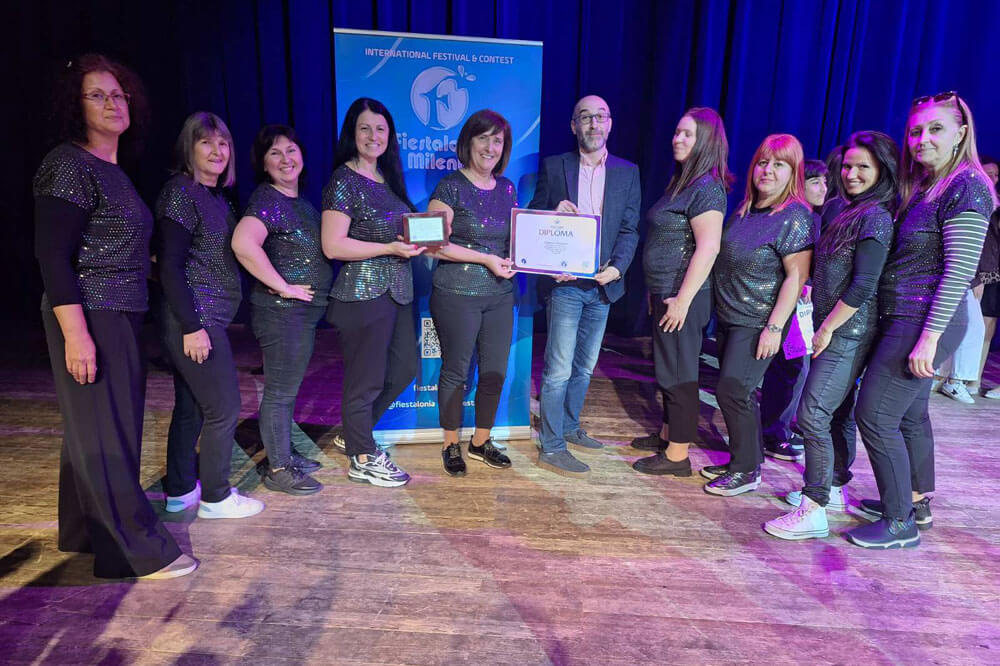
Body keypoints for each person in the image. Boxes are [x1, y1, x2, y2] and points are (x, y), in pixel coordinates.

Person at [33, 54, 195, 579]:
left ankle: (86, 532)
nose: (112, 103)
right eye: (97, 95)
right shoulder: (68, 163)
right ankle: (133, 552)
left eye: (119, 94)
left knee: (95, 428)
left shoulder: (112, 170)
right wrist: (76, 334)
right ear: (74, 105)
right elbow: (52, 256)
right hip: (90, 312)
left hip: (120, 311)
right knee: (109, 433)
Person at [847, 93, 995, 548]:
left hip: (925, 318)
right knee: (910, 414)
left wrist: (930, 338)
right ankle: (912, 501)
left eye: (935, 129)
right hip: (908, 315)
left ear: (961, 133)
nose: (922, 139)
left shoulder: (966, 185)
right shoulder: (931, 185)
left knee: (874, 415)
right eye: (915, 131)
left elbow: (958, 270)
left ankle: (899, 523)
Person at [764, 131, 898, 540]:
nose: (852, 174)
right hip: (836, 327)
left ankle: (814, 507)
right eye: (848, 166)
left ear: (882, 171)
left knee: (812, 415)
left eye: (863, 167)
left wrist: (826, 328)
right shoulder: (849, 209)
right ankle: (835, 487)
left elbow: (864, 285)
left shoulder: (875, 217)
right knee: (836, 412)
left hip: (848, 331)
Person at [156, 112, 264, 518]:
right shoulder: (181, 192)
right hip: (194, 318)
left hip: (207, 317)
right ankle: (216, 497)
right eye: (206, 142)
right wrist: (191, 326)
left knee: (192, 406)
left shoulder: (217, 198)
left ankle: (181, 489)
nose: (217, 151)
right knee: (224, 407)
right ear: (189, 148)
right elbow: (169, 266)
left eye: (223, 143)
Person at [529, 94, 641, 477]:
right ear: (573, 125)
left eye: (601, 116)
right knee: (558, 369)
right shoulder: (555, 166)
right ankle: (552, 446)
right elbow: (535, 219)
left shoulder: (628, 172)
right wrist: (552, 211)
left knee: (584, 368)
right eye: (585, 117)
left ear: (610, 123)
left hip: (603, 286)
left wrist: (618, 269)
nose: (594, 124)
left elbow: (629, 229)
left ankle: (569, 426)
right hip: (565, 285)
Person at [702, 134, 815, 496]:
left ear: (793, 172)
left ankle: (746, 470)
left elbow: (796, 278)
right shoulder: (746, 210)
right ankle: (744, 459)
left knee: (734, 390)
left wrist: (774, 328)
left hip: (758, 320)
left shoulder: (795, 216)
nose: (768, 170)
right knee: (740, 392)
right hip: (730, 316)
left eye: (779, 165)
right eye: (763, 162)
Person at [322, 98, 420, 487]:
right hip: (362, 293)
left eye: (381, 129)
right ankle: (362, 457)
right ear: (353, 132)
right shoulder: (343, 180)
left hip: (397, 292)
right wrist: (389, 247)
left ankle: (355, 433)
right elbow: (333, 245)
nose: (373, 136)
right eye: (365, 128)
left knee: (404, 369)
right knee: (365, 381)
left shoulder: (387, 178)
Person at [232, 125, 332, 495]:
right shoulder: (268, 199)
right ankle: (278, 468)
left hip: (298, 314)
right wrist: (283, 286)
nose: (285, 159)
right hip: (281, 312)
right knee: (279, 392)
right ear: (263, 163)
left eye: (291, 150)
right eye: (275, 153)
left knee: (285, 390)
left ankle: (283, 453)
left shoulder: (299, 201)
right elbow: (243, 243)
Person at [630, 107, 730, 477]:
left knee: (679, 373)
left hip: (683, 295)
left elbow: (709, 247)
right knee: (667, 367)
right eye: (677, 132)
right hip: (666, 291)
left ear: (706, 142)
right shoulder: (684, 184)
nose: (677, 139)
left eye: (688, 134)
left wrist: (683, 300)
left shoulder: (707, 188)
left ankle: (677, 457)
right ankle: (667, 434)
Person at [427, 110, 518, 475]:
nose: (490, 147)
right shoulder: (449, 187)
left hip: (499, 295)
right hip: (456, 293)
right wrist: (486, 259)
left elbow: (520, 240)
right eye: (484, 138)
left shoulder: (508, 188)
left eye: (498, 140)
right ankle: (450, 443)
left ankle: (480, 442)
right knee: (456, 370)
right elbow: (433, 245)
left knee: (495, 372)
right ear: (469, 142)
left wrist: (555, 222)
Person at [757, 158, 828, 463]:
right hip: (791, 304)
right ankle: (773, 433)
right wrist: (806, 285)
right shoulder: (797, 217)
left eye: (825, 182)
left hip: (805, 307)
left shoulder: (816, 217)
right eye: (815, 181)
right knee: (791, 368)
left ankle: (779, 427)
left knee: (796, 368)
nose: (823, 188)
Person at [975, 156, 1000, 398]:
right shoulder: (978, 197)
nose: (993, 178)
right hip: (987, 272)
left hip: (991, 272)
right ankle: (970, 378)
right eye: (988, 173)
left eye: (995, 175)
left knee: (986, 327)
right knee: (980, 326)